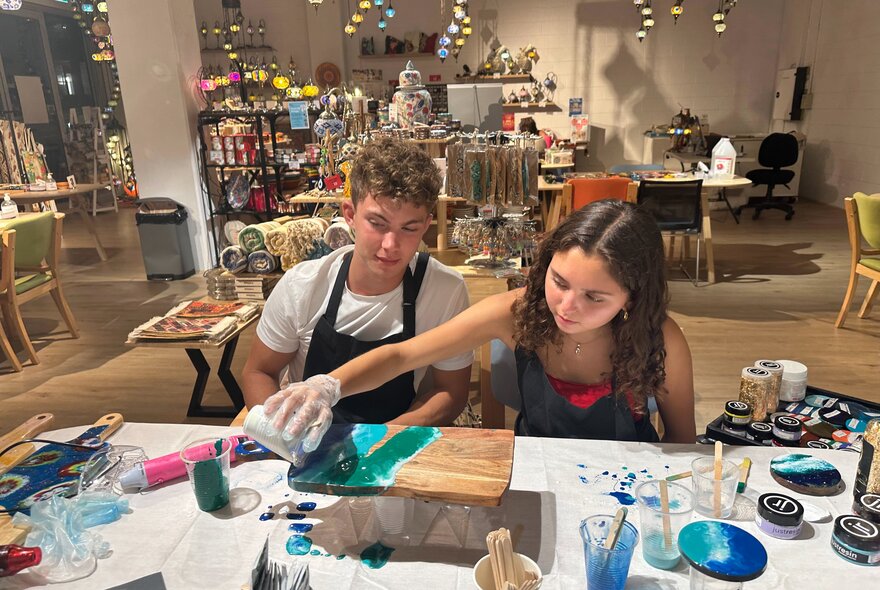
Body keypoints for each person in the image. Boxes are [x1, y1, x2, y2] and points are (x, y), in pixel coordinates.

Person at [265, 200, 697, 458]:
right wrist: (327, 386)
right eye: (559, 282)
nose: (567, 306)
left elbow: (680, 438)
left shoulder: (660, 338)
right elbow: (403, 355)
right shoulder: (516, 312)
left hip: (624, 480)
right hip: (532, 469)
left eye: (595, 298)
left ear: (633, 298)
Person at [242, 138, 473, 428]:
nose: (391, 245)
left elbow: (451, 391)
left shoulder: (444, 290)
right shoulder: (301, 287)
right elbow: (259, 372)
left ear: (427, 225)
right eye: (377, 223)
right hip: (307, 438)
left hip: (399, 437)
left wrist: (384, 440)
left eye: (409, 228)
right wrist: (280, 433)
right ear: (349, 214)